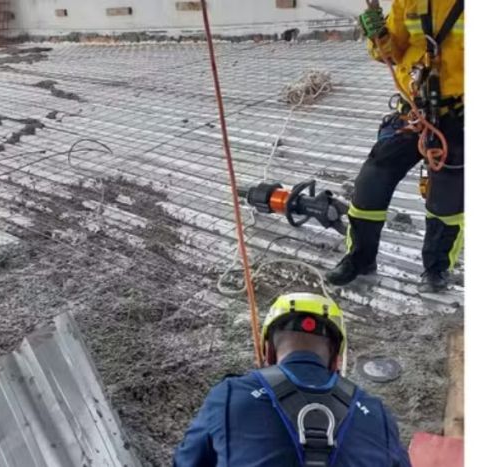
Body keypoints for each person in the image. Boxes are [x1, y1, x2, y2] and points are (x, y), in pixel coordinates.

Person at [172, 293, 411, 466]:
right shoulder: (377, 413)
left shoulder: (229, 396)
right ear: (336, 360)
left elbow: (186, 462)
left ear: (269, 353)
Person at [326, 0, 465, 292]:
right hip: (413, 110)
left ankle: (436, 269)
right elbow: (391, 52)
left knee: (447, 198)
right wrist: (379, 37)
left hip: (457, 113)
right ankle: (360, 258)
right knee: (372, 180)